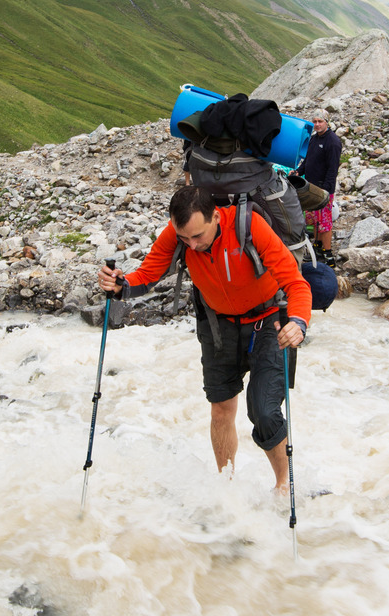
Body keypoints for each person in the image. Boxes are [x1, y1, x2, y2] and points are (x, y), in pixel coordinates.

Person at [98, 185, 312, 491]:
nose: (192, 245)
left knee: (264, 411)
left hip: (267, 324)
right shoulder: (178, 235)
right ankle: (227, 487)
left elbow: (296, 283)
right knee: (221, 409)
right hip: (217, 327)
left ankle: (284, 485)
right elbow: (146, 276)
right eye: (184, 238)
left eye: (197, 236)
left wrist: (298, 322)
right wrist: (119, 285)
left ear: (216, 217)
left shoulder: (248, 225)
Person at [301, 110, 344, 266]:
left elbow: (333, 169)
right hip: (311, 187)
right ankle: (318, 249)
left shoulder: (333, 142)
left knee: (325, 223)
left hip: (324, 189)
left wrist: (326, 189)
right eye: (315, 121)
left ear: (327, 122)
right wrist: (298, 172)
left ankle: (328, 255)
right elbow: (307, 161)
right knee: (315, 221)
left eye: (320, 121)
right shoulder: (313, 139)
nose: (317, 124)